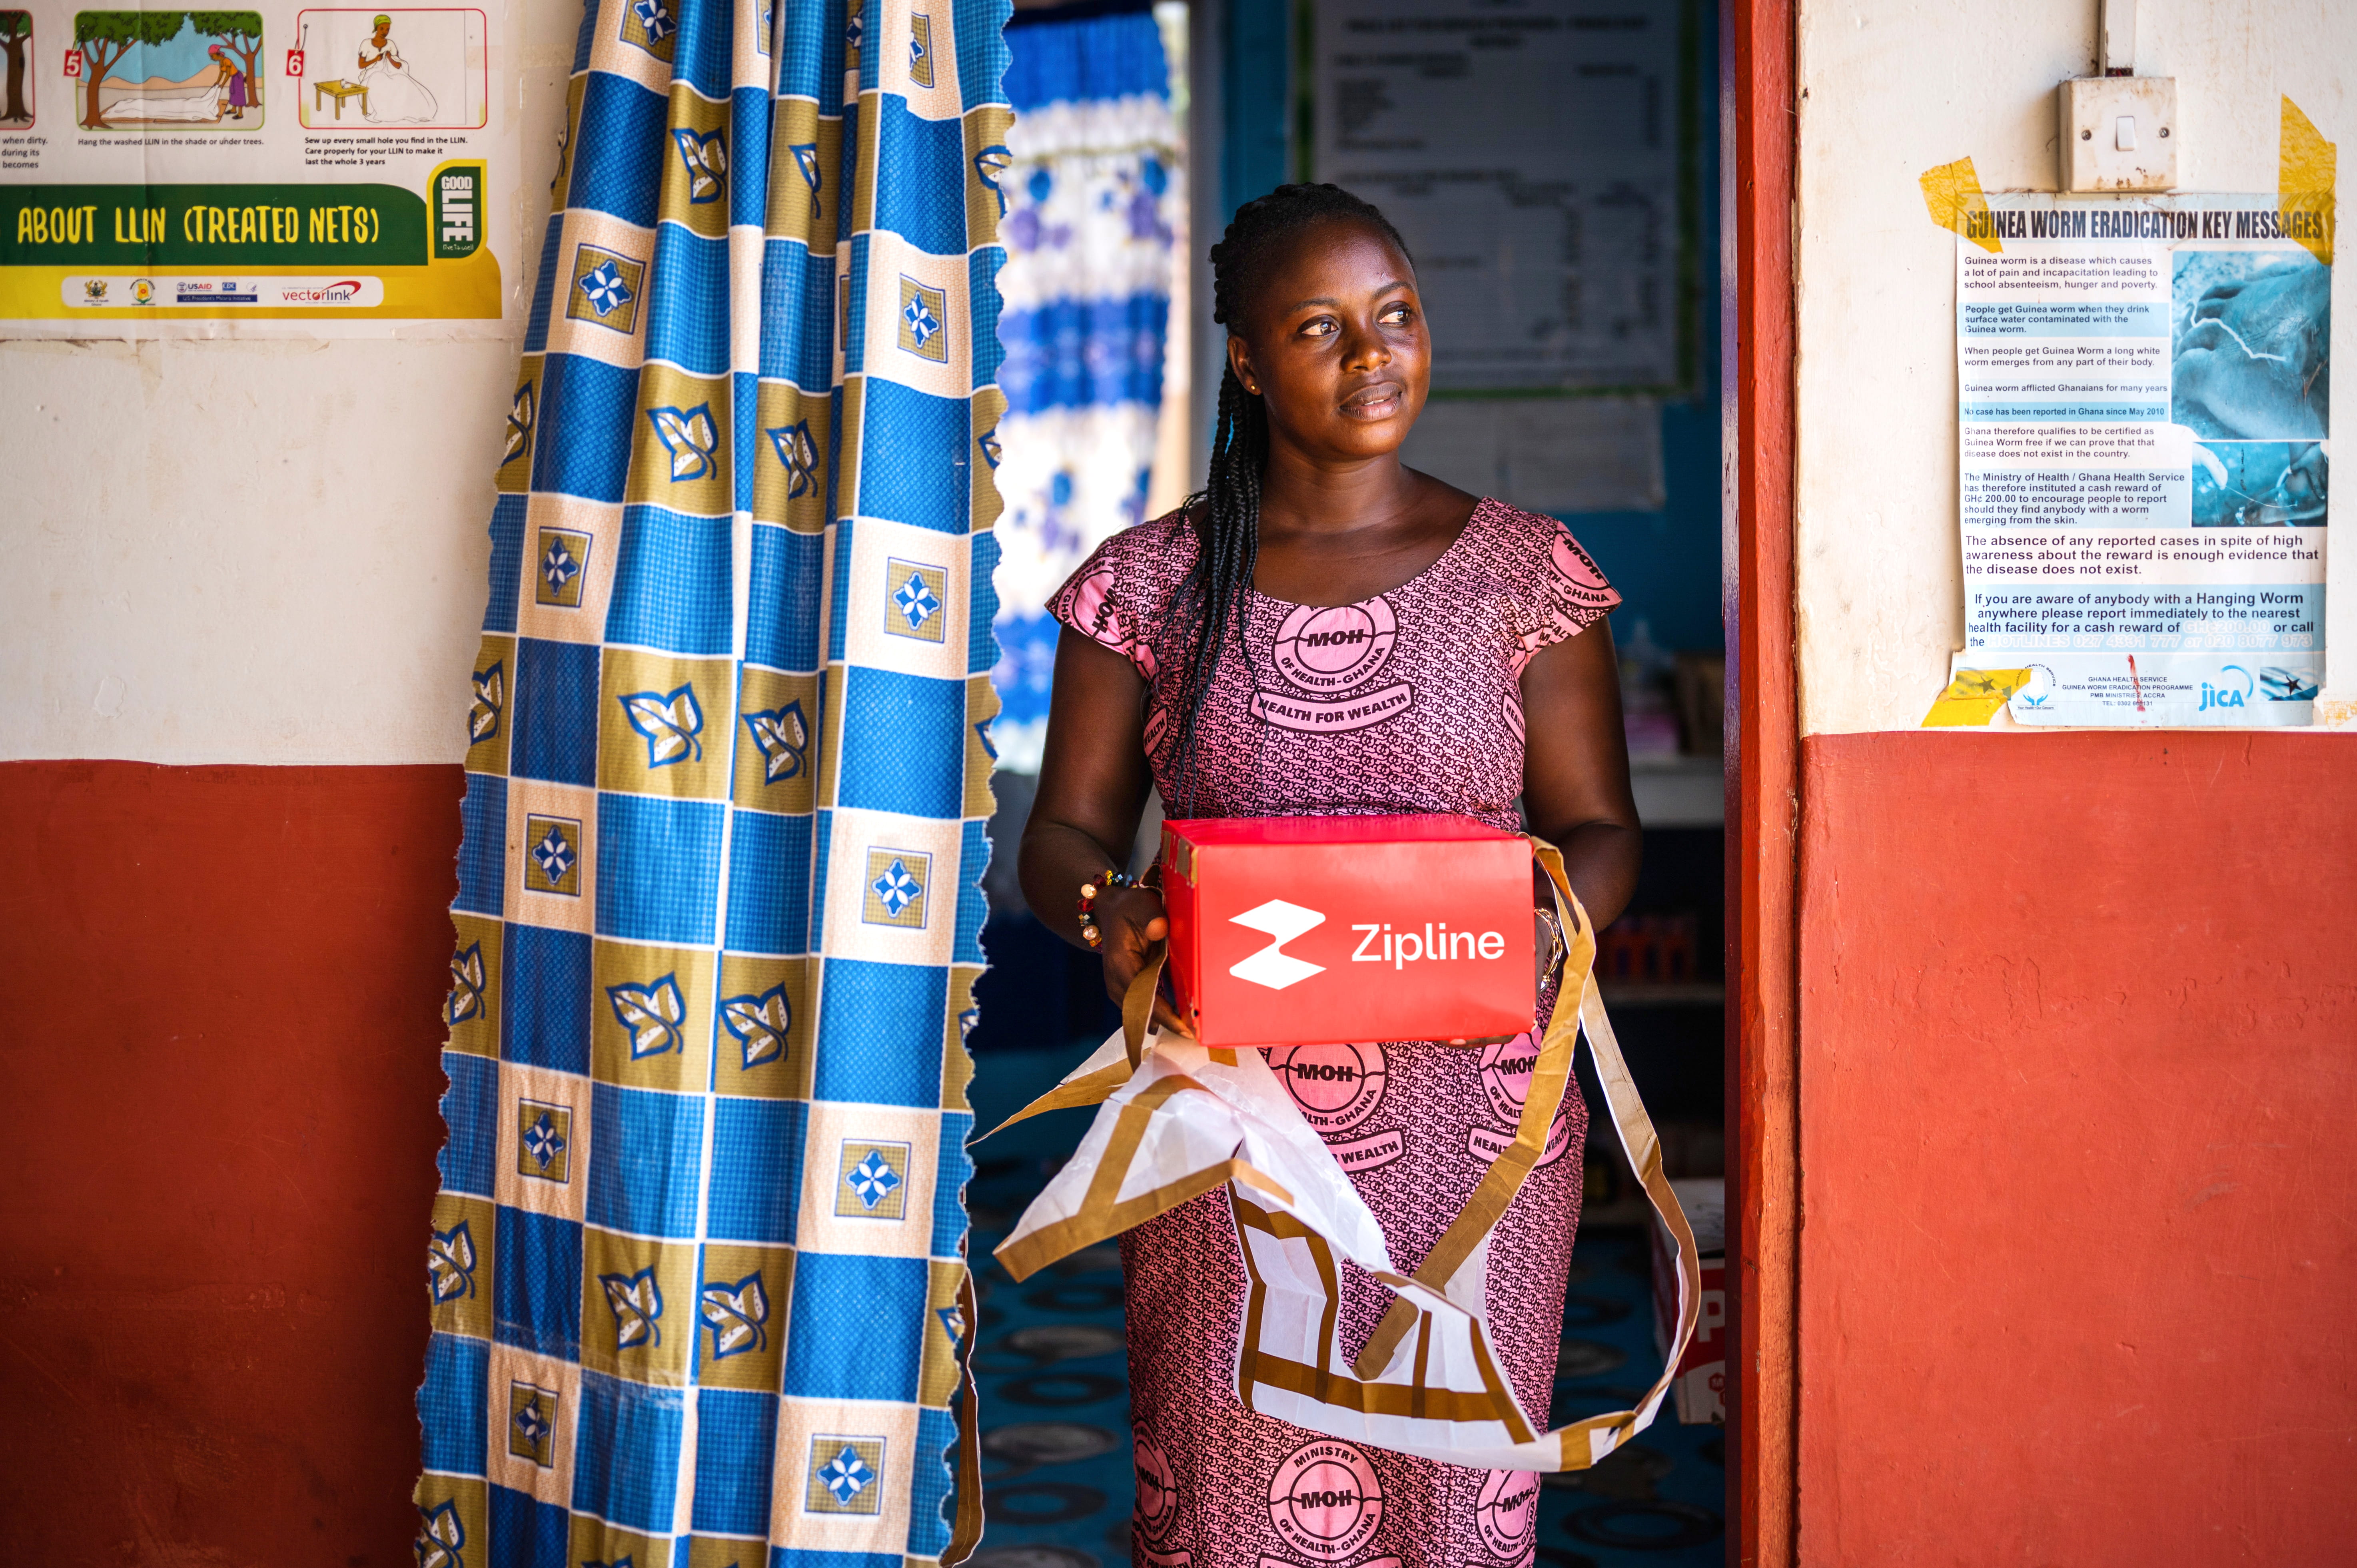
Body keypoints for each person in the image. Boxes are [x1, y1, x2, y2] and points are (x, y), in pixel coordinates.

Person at [1018, 182, 1641, 1567]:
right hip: (1226, 1138)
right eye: (1321, 328)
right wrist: (1108, 913)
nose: (1374, 355)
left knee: (1457, 1515)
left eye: (1395, 316)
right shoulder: (1150, 584)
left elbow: (1604, 830)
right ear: (1247, 360)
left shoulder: (1526, 575)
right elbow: (1059, 839)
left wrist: (1530, 921)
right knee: (1232, 1510)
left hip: (1475, 1139)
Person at [356, 13, 438, 125]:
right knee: (377, 78)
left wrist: (389, 58)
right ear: (376, 28)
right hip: (372, 74)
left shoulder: (390, 44)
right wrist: (376, 59)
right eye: (382, 29)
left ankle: (410, 110)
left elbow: (400, 67)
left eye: (388, 29)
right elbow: (361, 65)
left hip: (391, 73)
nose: (385, 32)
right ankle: (385, 111)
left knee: (403, 80)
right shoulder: (366, 43)